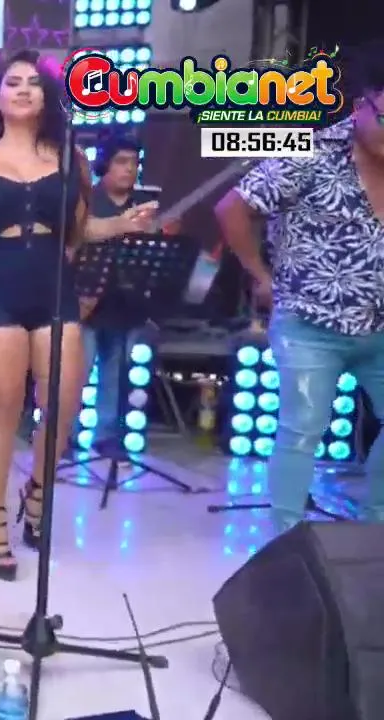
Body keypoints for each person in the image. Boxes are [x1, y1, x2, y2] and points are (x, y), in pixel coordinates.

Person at [0, 50, 155, 581]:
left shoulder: (71, 158)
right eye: (12, 82)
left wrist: (124, 224)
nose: (23, 89)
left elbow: (81, 230)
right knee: (3, 405)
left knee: (64, 404)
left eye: (32, 83)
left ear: (46, 97)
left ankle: (38, 492)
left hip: (54, 287)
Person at [214, 43, 384, 531]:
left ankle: (375, 530)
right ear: (362, 106)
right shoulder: (308, 153)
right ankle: (286, 543)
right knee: (302, 430)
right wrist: (260, 275)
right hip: (309, 323)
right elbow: (232, 207)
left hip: (379, 324)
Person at [76, 136, 156, 452]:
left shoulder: (146, 205)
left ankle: (106, 436)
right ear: (104, 164)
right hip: (83, 302)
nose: (129, 169)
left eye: (134, 163)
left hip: (126, 305)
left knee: (117, 376)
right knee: (75, 374)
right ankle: (61, 434)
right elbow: (76, 234)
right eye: (122, 162)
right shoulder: (85, 199)